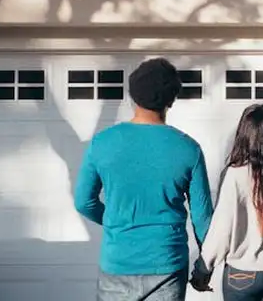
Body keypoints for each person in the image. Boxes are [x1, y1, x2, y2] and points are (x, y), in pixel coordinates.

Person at [74, 57, 214, 301]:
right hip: (167, 265)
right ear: (171, 99)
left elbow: (83, 202)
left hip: (118, 263)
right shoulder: (188, 149)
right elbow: (202, 219)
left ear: (132, 95)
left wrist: (113, 221)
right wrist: (205, 265)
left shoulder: (103, 142)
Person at [191, 104, 263, 300]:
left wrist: (203, 269)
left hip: (242, 274)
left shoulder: (236, 174)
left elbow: (222, 229)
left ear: (245, 137)